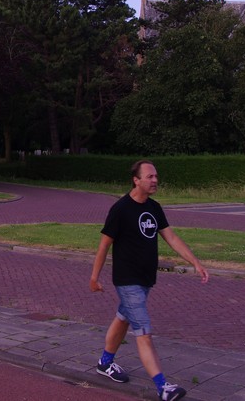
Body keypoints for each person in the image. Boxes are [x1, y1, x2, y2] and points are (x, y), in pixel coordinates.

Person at [89, 159, 209, 401]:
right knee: (143, 331)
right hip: (127, 280)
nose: (155, 180)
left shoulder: (154, 208)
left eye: (156, 176)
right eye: (150, 177)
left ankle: (105, 363)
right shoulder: (121, 209)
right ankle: (163, 387)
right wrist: (94, 277)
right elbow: (104, 245)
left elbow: (171, 238)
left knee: (123, 318)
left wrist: (195, 262)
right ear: (136, 180)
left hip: (145, 279)